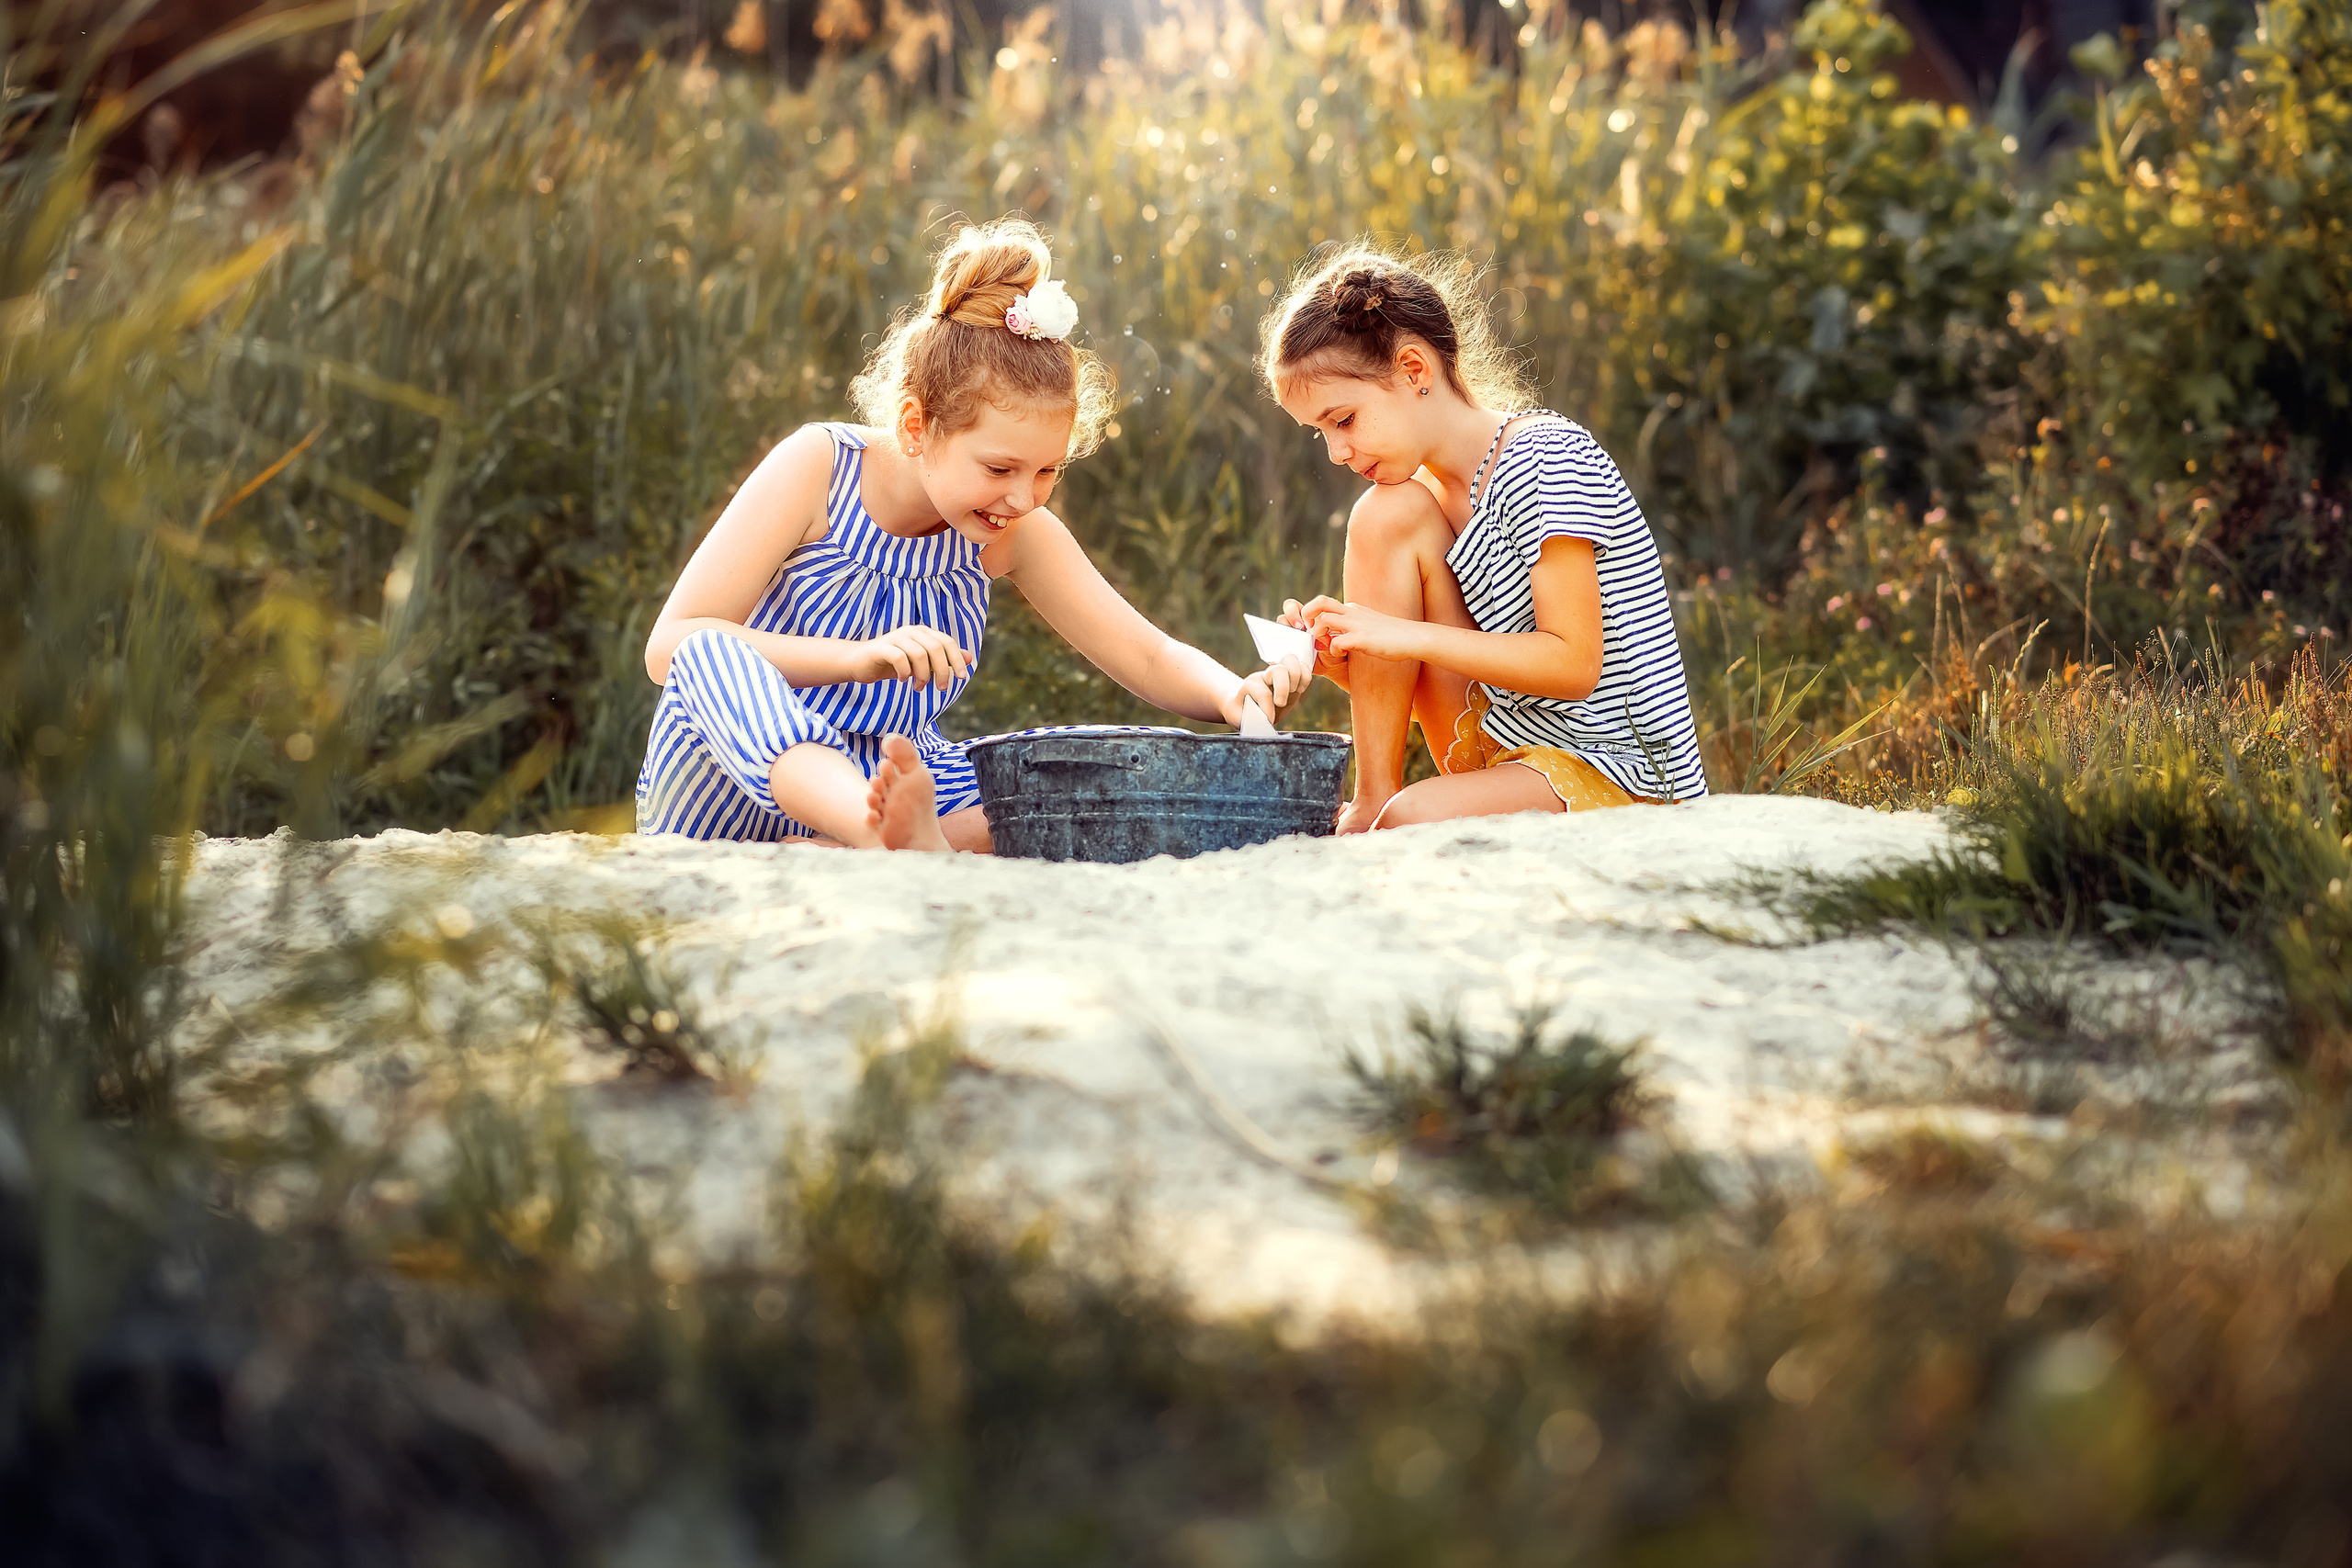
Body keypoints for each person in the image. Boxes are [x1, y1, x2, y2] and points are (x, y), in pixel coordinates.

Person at [637, 218, 1309, 852]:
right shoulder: (818, 468)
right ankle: (867, 834)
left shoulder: (1013, 530)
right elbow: (668, 646)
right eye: (998, 467)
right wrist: (858, 659)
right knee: (707, 651)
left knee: (1043, 772)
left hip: (884, 767)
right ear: (914, 426)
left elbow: (1152, 656)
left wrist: (1231, 694)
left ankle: (862, 841)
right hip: (726, 783)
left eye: (1047, 469)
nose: (1022, 496)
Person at [1262, 246, 1706, 832]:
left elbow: (1575, 664)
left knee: (1411, 821)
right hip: (1510, 748)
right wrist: (1352, 655)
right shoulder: (1418, 498)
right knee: (1382, 516)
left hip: (1624, 773)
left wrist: (1398, 634)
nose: (1337, 452)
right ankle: (1373, 794)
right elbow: (1440, 666)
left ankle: (1391, 814)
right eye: (1320, 432)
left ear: (1414, 370)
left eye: (1343, 420)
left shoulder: (1544, 457)